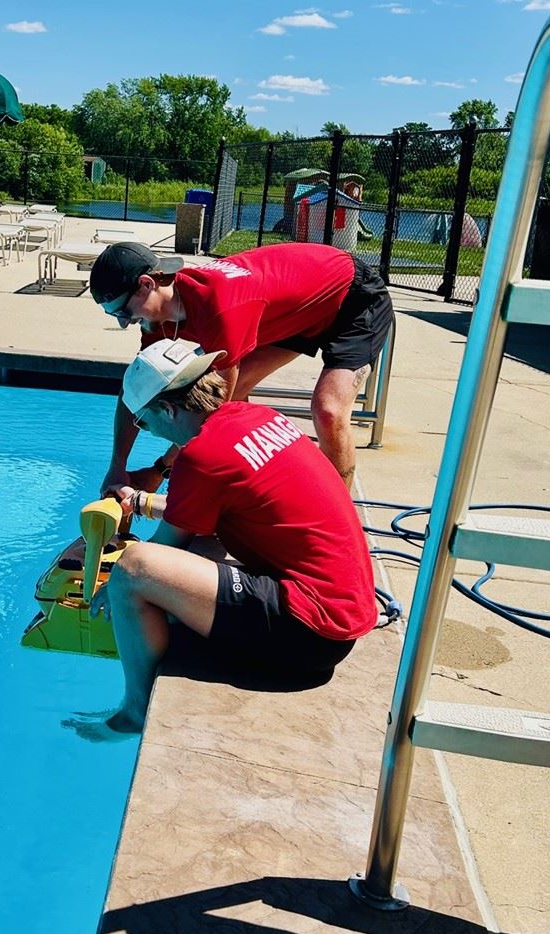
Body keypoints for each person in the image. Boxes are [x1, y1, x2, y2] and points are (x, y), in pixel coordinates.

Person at [85, 338, 377, 736]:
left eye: (142, 420)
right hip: (343, 612)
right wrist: (139, 501)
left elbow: (160, 554)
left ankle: (135, 711)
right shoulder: (252, 417)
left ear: (168, 409)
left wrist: (111, 587)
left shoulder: (201, 457)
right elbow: (206, 509)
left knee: (134, 569)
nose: (145, 429)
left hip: (311, 633)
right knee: (194, 550)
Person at [89, 241, 394, 493]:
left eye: (121, 311)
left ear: (146, 284)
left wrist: (161, 469)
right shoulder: (157, 318)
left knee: (328, 410)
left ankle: (339, 513)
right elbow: (136, 389)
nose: (123, 323)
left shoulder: (219, 307)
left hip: (352, 298)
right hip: (294, 310)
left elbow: (210, 412)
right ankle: (240, 483)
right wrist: (117, 466)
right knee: (226, 396)